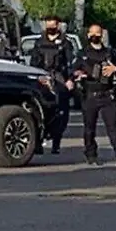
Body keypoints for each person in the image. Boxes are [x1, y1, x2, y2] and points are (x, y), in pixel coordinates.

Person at [73, 24, 116, 166]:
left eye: (97, 33)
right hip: (90, 94)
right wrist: (78, 75)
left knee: (112, 125)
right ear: (88, 35)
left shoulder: (109, 53)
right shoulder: (82, 54)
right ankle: (91, 153)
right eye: (92, 33)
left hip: (107, 94)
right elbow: (73, 71)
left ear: (102, 35)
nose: (95, 36)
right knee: (89, 128)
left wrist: (115, 69)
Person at [28, 15, 75, 154]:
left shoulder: (65, 43)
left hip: (59, 79)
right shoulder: (39, 42)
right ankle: (37, 143)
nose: (50, 27)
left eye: (52, 25)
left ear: (58, 25)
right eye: (48, 25)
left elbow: (70, 63)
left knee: (61, 112)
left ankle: (56, 142)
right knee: (37, 110)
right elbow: (33, 62)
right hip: (42, 78)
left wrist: (70, 79)